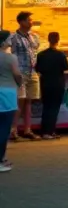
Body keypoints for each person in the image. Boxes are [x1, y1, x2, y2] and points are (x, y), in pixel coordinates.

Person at [10, 11, 40, 140]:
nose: (31, 22)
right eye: (29, 20)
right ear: (21, 22)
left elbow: (35, 51)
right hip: (20, 72)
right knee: (19, 101)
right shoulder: (13, 38)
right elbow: (10, 55)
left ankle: (28, 129)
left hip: (32, 71)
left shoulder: (33, 36)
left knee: (29, 101)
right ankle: (13, 130)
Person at [35, 31, 68, 140]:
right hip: (58, 83)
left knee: (46, 108)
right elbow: (66, 67)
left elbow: (37, 68)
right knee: (54, 108)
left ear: (48, 40)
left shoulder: (41, 55)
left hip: (45, 83)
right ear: (58, 40)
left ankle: (45, 131)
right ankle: (50, 131)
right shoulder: (60, 54)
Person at [0, 30, 23, 173]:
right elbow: (17, 74)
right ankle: (0, 159)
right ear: (3, 42)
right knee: (4, 128)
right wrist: (19, 84)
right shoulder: (10, 58)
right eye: (9, 39)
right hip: (7, 93)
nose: (11, 40)